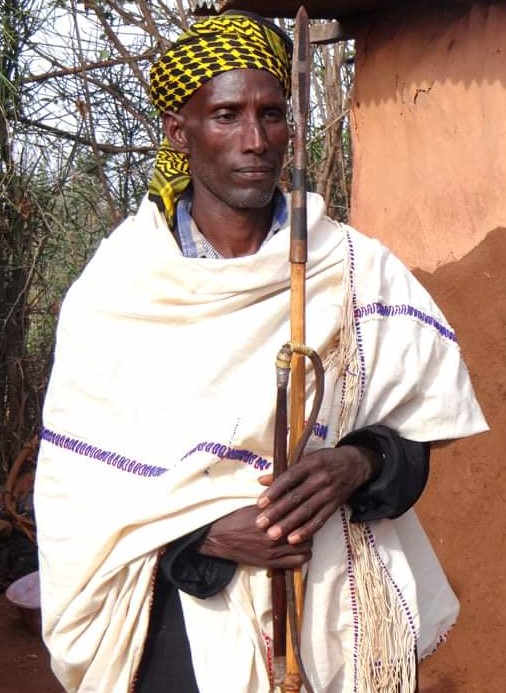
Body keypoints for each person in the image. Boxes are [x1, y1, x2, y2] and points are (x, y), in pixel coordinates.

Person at [34, 11, 487, 693]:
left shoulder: (351, 269)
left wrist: (356, 462)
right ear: (178, 132)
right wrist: (205, 536)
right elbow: (84, 501)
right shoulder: (118, 294)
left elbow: (414, 443)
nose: (254, 140)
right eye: (226, 115)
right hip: (179, 631)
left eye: (271, 114)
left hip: (334, 616)